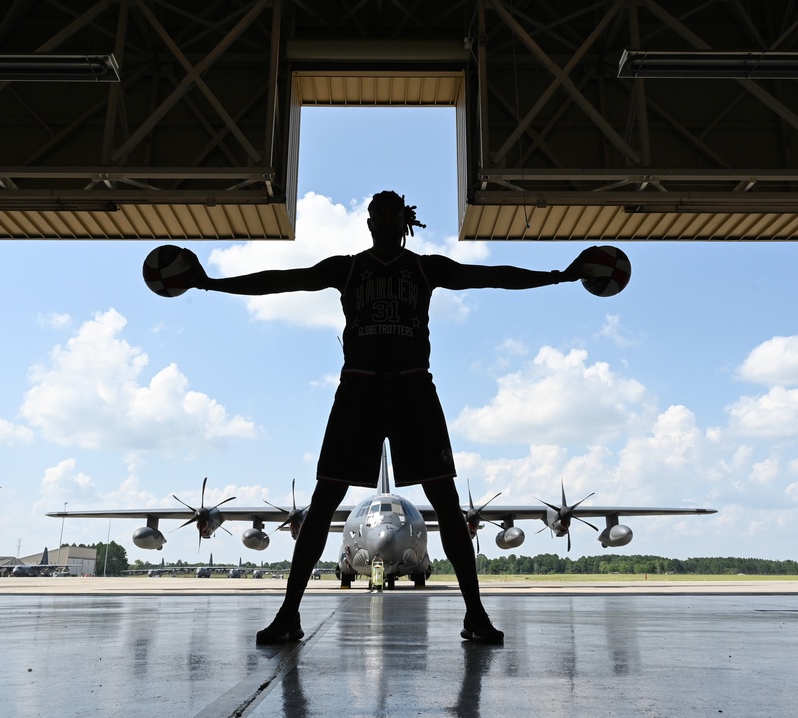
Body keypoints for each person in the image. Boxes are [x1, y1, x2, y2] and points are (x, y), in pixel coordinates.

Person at [188, 190, 586, 645]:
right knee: (322, 505)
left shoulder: (423, 268)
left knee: (447, 505)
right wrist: (213, 283)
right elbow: (282, 279)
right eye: (378, 217)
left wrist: (559, 276)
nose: (385, 224)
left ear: (404, 223)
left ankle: (475, 614)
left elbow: (491, 276)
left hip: (412, 387)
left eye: (392, 217)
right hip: (360, 387)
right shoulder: (350, 268)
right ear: (370, 224)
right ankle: (289, 614)